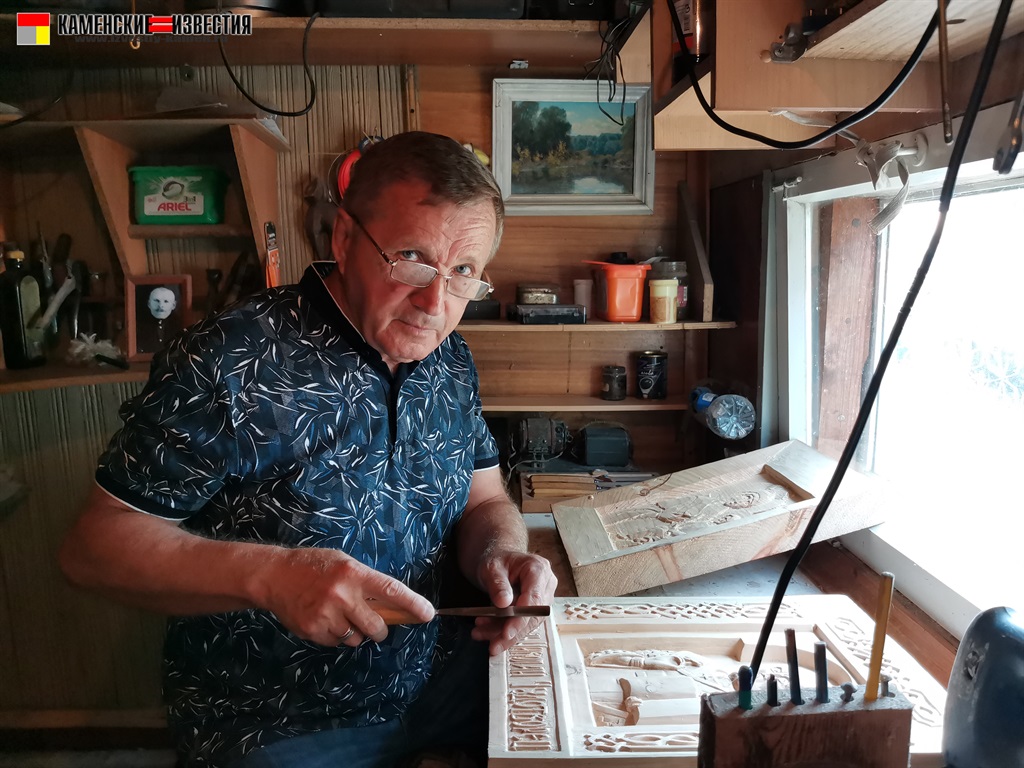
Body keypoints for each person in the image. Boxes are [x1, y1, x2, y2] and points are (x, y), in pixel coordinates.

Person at [59, 131, 558, 768]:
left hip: (440, 675)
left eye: (463, 272)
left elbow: (483, 499)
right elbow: (92, 548)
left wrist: (502, 555)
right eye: (411, 258)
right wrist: (273, 577)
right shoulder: (229, 357)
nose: (435, 303)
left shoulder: (449, 357)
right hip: (277, 715)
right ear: (344, 238)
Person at [135, 285, 182, 354]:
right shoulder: (139, 327)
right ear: (149, 304)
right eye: (157, 301)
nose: (160, 306)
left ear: (173, 305)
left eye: (166, 301)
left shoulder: (179, 326)